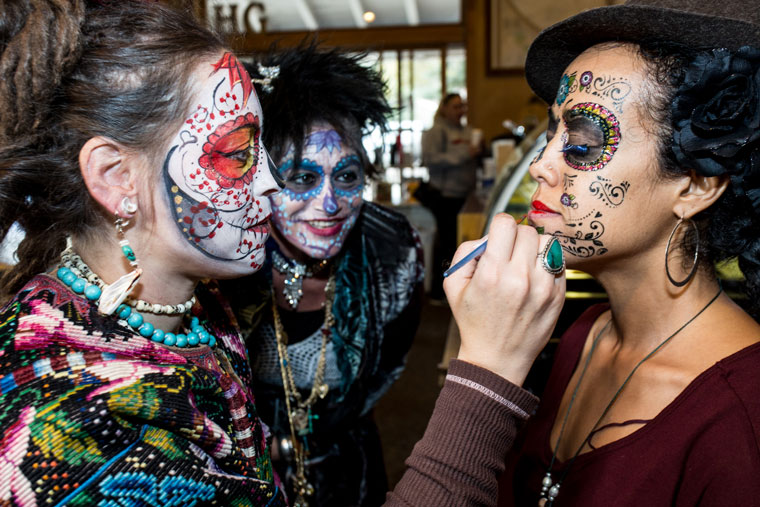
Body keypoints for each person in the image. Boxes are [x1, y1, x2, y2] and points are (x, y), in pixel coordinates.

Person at [0, 1, 567, 506]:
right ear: (117, 177)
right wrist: (489, 374)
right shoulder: (77, 423)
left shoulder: (196, 305)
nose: (272, 187)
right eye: (240, 153)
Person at [488, 0, 760, 504]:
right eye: (552, 133)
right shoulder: (583, 333)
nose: (542, 166)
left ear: (696, 185)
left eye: (583, 145)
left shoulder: (743, 416)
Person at [221, 46, 424, 506]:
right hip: (241, 471)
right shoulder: (225, 253)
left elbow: (388, 364)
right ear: (262, 181)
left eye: (347, 176)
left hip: (348, 464)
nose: (329, 205)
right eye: (302, 178)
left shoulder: (390, 250)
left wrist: (318, 435)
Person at [420, 93, 481, 298]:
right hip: (445, 197)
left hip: (464, 194)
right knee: (446, 245)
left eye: (462, 106)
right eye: (455, 107)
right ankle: (440, 292)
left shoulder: (467, 131)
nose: (460, 111)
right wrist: (465, 154)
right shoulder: (436, 132)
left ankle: (458, 288)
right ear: (444, 108)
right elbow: (431, 160)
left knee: (458, 244)